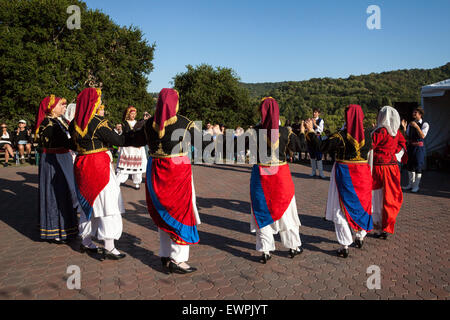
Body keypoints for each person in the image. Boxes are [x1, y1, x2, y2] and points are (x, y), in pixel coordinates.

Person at [127, 88, 203, 274]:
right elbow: (206, 143)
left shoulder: (148, 124)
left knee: (163, 212)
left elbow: (133, 140)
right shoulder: (184, 123)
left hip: (155, 171)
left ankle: (165, 254)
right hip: (177, 172)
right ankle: (178, 259)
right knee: (181, 212)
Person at [70, 87, 130, 260]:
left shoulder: (74, 122)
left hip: (82, 164)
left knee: (89, 203)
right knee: (108, 203)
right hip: (98, 166)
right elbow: (118, 141)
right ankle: (109, 246)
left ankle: (86, 240)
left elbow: (73, 145)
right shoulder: (98, 122)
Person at [307, 105, 373, 258]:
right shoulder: (369, 135)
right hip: (363, 174)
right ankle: (361, 235)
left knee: (340, 207)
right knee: (362, 205)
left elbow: (321, 147)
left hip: (346, 174)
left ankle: (345, 244)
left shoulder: (341, 136)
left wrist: (310, 131)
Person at [249, 97, 304, 264]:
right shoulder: (287, 132)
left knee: (261, 211)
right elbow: (300, 147)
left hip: (261, 174)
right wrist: (303, 131)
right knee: (287, 211)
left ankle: (265, 249)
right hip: (281, 175)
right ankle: (293, 246)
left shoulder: (252, 132)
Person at [34, 95, 80, 243]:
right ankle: (55, 231)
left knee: (66, 191)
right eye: (61, 105)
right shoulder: (48, 123)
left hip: (64, 158)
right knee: (56, 193)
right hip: (54, 161)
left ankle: (67, 229)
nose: (64, 108)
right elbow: (65, 141)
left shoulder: (61, 122)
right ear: (51, 108)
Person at [370, 106, 406, 239]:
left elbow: (369, 145)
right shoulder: (396, 132)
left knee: (378, 197)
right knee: (390, 197)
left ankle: (379, 227)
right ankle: (386, 226)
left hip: (379, 168)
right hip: (392, 168)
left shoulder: (381, 132)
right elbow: (402, 145)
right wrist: (395, 155)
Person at [116, 106, 147, 190]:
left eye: (134, 114)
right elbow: (121, 134)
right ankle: (117, 181)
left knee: (137, 169)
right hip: (128, 148)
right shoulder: (124, 123)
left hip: (137, 148)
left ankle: (137, 183)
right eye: (131, 114)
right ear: (128, 114)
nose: (133, 115)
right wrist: (118, 130)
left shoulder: (139, 123)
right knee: (124, 168)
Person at [402, 107, 429, 193]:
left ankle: (416, 186)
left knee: (418, 166)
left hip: (419, 148)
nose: (413, 114)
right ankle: (411, 184)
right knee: (410, 166)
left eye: (415, 112)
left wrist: (417, 127)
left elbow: (422, 136)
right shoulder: (410, 124)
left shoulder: (425, 124)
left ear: (420, 114)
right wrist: (405, 127)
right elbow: (406, 137)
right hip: (411, 147)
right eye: (413, 112)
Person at [306, 108, 325, 178]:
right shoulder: (310, 120)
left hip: (317, 138)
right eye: (313, 112)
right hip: (310, 138)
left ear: (318, 113)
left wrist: (314, 124)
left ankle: (321, 172)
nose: (314, 113)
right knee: (312, 155)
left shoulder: (320, 120)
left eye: (315, 112)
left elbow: (321, 130)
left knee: (319, 156)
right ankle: (313, 171)